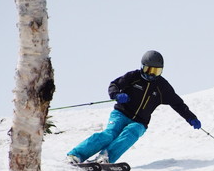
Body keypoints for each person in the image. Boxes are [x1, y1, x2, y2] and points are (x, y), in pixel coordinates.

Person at [66, 50, 201, 164]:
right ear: (143, 67)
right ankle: (76, 155)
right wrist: (117, 95)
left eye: (156, 71)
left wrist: (191, 118)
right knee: (109, 135)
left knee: (132, 132)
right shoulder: (133, 77)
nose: (151, 74)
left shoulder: (162, 86)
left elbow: (178, 103)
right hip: (121, 114)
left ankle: (105, 158)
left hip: (140, 122)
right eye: (149, 69)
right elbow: (114, 85)